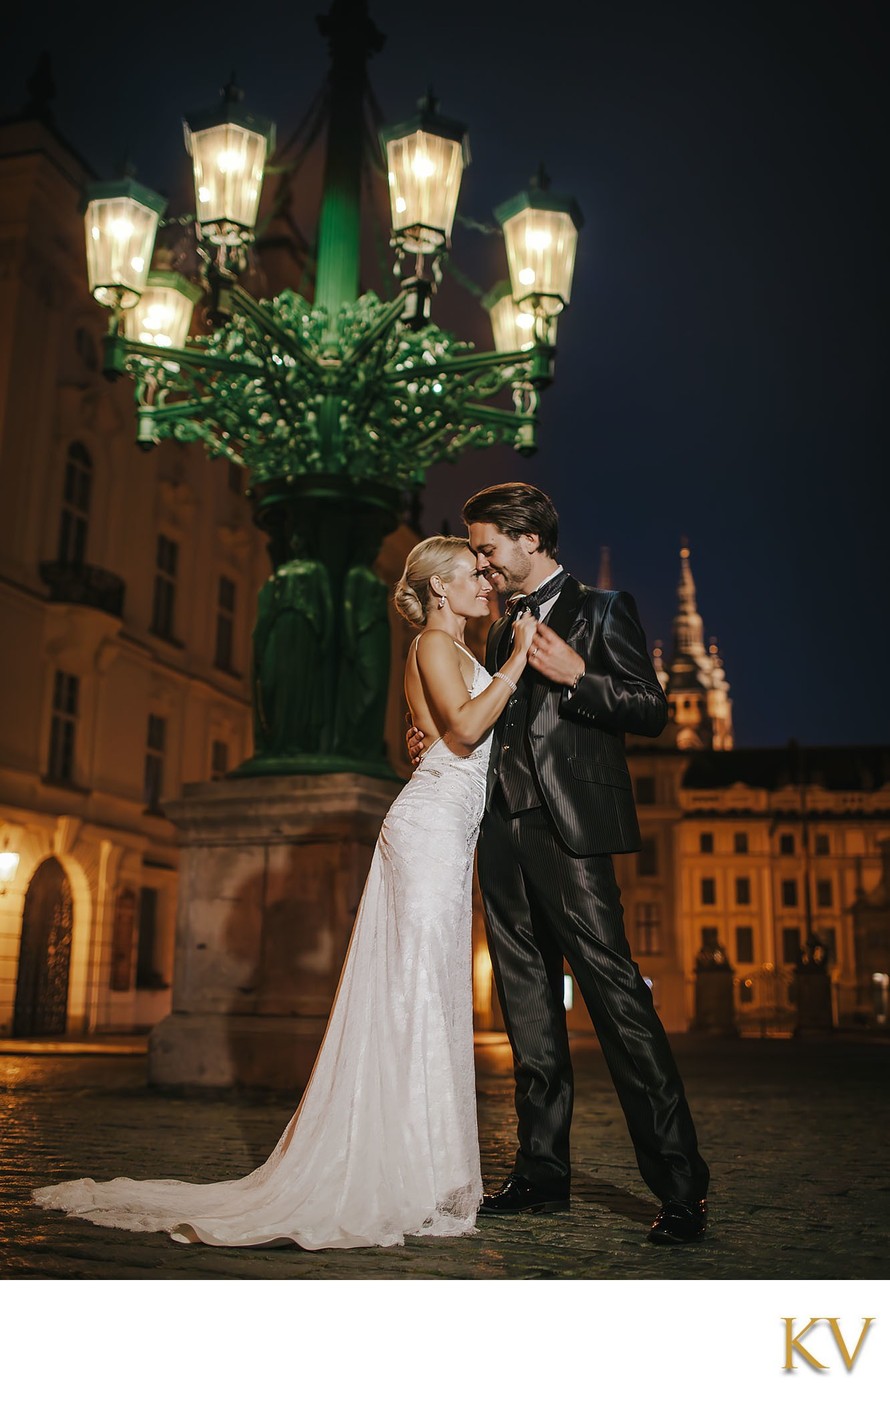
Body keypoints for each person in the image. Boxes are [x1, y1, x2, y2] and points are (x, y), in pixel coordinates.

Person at [32, 536, 537, 1251]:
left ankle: (419, 1166)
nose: (485, 586)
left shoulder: (451, 649)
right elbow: (462, 726)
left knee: (427, 991)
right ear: (437, 590)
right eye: (472, 577)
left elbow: (436, 738)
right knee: (417, 993)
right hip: (428, 834)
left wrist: (458, 713)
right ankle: (405, 1171)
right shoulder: (431, 642)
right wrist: (516, 665)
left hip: (446, 831)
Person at [409, 483, 710, 1245]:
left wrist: (579, 672)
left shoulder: (605, 609)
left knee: (617, 1003)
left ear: (527, 539)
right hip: (498, 834)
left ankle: (680, 1185)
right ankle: (543, 1171)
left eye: (486, 546)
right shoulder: (495, 625)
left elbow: (652, 709)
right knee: (529, 1012)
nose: (480, 561)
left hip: (568, 832)